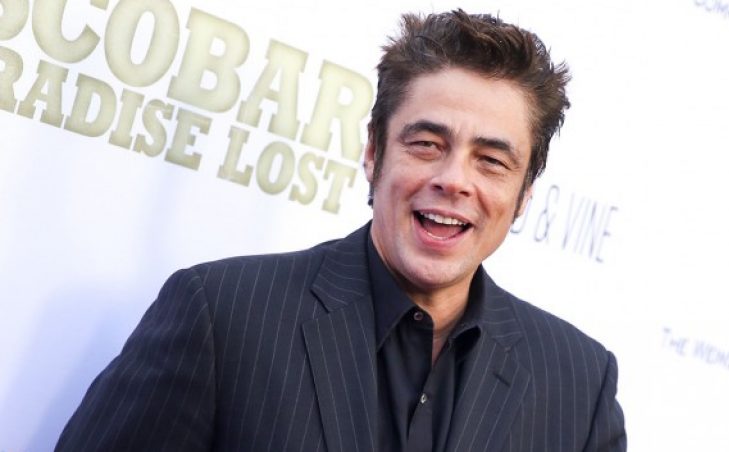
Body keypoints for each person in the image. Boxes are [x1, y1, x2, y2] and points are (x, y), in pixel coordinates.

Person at [56, 9, 626, 452]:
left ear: (524, 194)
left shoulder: (579, 384)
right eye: (427, 144)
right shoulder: (221, 317)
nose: (454, 180)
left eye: (492, 161)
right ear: (374, 153)